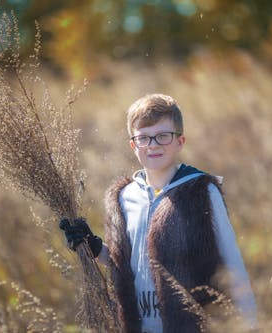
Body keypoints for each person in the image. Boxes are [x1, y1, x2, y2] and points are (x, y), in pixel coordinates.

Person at [60, 94, 257, 333]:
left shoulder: (201, 191)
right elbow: (123, 263)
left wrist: (248, 324)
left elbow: (232, 262)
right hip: (137, 325)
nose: (153, 145)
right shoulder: (122, 197)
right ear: (133, 145)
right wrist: (92, 247)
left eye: (163, 136)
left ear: (180, 141)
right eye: (143, 138)